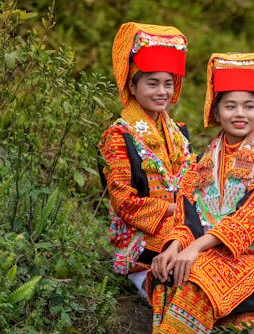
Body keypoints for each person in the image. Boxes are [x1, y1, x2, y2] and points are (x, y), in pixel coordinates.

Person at [149, 52, 254, 334]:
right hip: (217, 257)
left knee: (196, 276)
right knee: (164, 272)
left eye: (249, 106)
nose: (240, 114)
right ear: (217, 112)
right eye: (231, 106)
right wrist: (173, 248)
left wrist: (195, 249)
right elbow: (186, 217)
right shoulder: (201, 163)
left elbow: (246, 222)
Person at [98, 22, 193, 297]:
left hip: (182, 224)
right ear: (132, 84)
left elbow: (193, 183)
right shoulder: (117, 136)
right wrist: (179, 212)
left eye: (167, 84)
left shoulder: (178, 133)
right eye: (152, 84)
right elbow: (124, 203)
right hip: (141, 237)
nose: (161, 92)